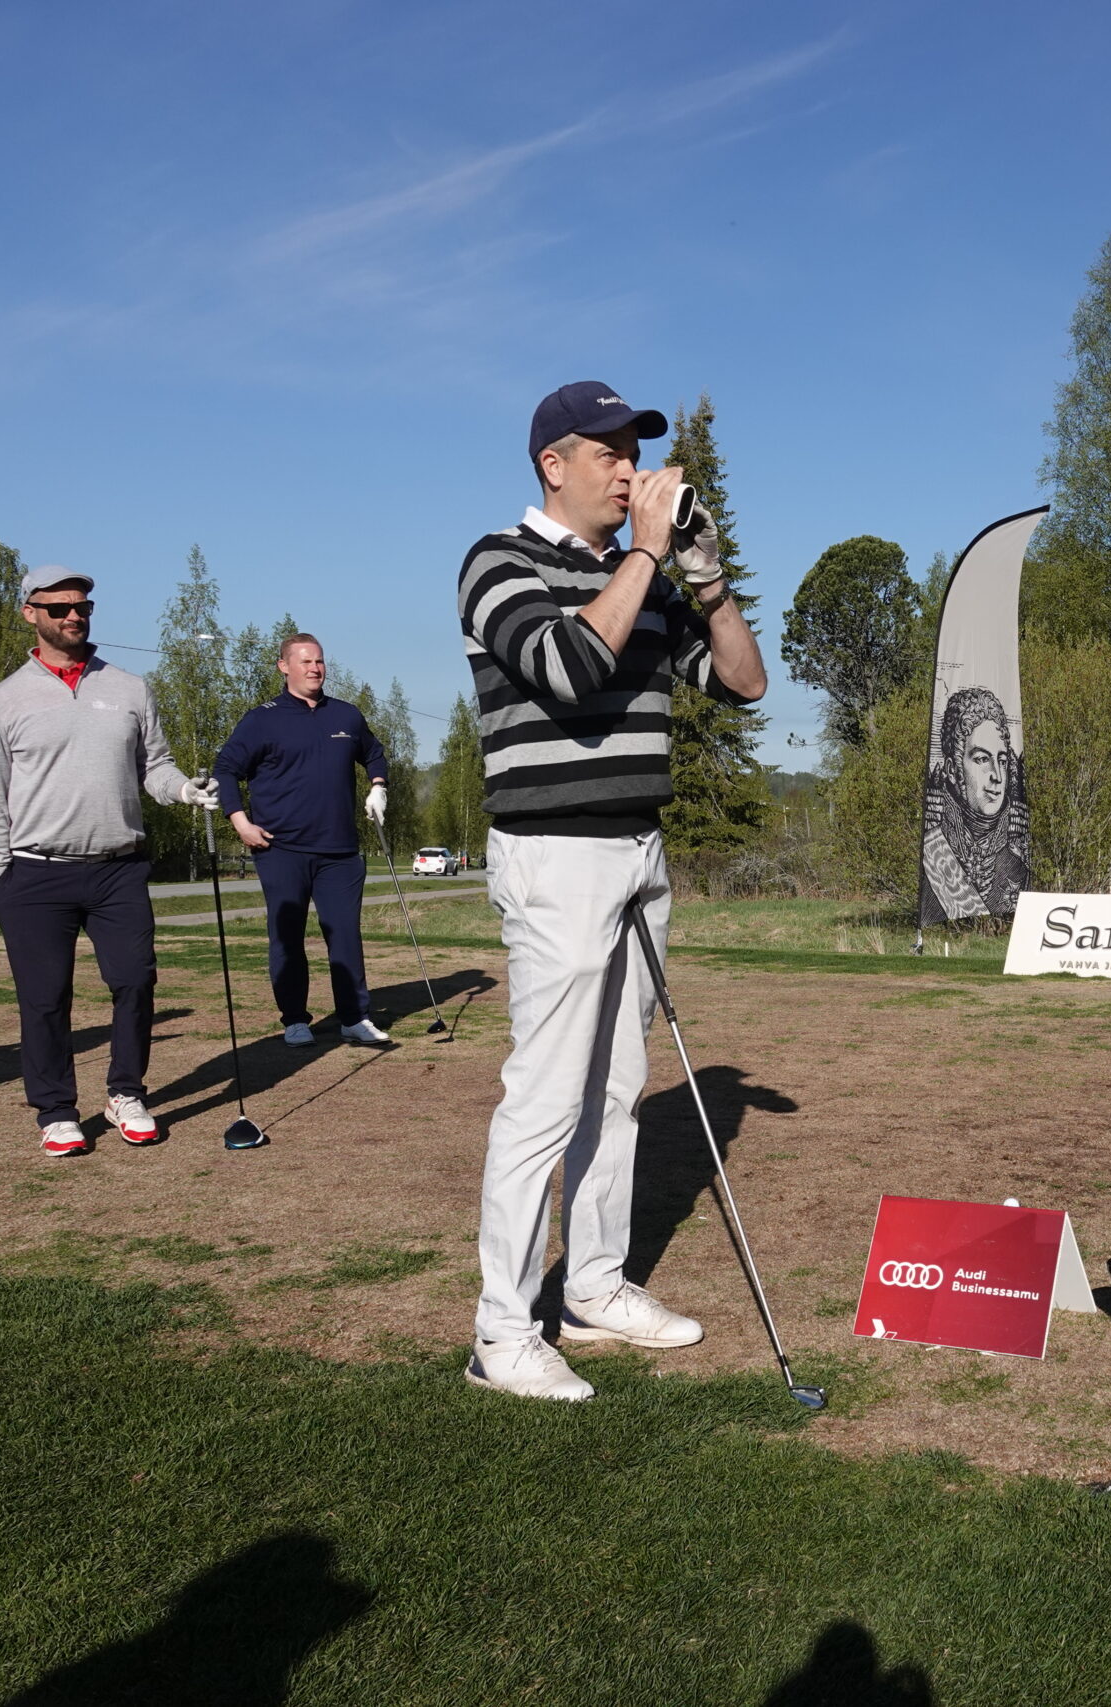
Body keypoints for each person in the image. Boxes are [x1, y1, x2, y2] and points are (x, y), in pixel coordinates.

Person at [457, 380, 767, 1401]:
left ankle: (592, 1286)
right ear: (554, 465)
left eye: (635, 451)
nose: (629, 470)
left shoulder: (646, 582)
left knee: (617, 1089)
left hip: (638, 850)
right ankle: (502, 1332)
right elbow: (568, 666)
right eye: (609, 453)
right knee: (544, 1096)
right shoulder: (497, 561)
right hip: (552, 855)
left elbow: (744, 682)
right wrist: (645, 554)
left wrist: (705, 581)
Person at [0, 566, 218, 1157]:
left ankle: (126, 1093)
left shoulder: (129, 688)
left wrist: (184, 789)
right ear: (30, 613)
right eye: (58, 608)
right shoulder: (1, 702)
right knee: (45, 998)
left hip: (118, 868)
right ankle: (56, 1110)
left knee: (135, 981)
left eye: (82, 606)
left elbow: (154, 766)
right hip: (33, 872)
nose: (73, 616)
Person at [213, 634, 392, 1049]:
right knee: (287, 937)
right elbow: (226, 770)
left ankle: (354, 1018)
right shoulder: (262, 719)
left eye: (320, 661)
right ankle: (295, 1018)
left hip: (340, 851)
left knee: (345, 935)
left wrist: (377, 786)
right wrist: (240, 822)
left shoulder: (346, 715)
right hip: (281, 849)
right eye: (306, 661)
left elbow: (375, 753)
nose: (315, 668)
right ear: (284, 666)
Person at [921, 685, 1028, 920]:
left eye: (1002, 761)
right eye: (982, 759)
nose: (997, 776)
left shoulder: (1017, 859)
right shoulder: (932, 850)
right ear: (952, 769)